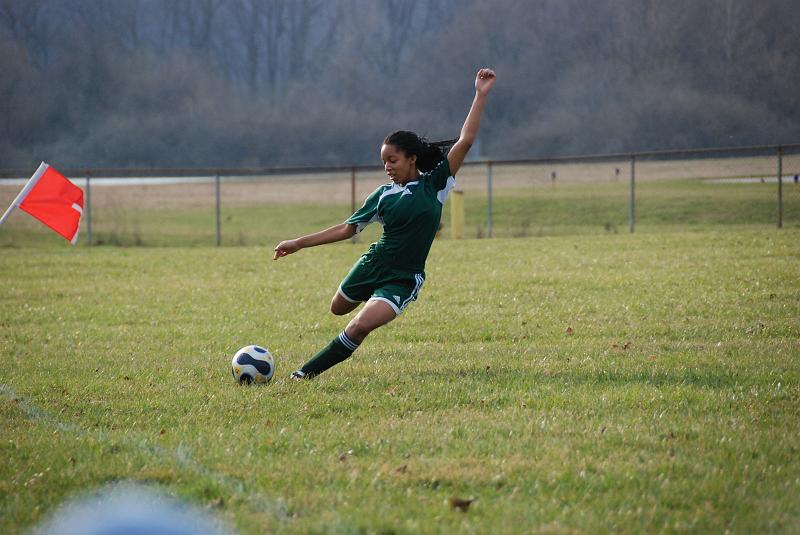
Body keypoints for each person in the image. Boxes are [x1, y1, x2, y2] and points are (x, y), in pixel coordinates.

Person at [273, 68, 497, 379]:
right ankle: (374, 295)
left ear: (412, 159)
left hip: (403, 278)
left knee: (358, 326)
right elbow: (347, 229)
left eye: (392, 160)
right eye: (383, 162)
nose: (387, 167)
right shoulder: (382, 195)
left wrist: (480, 94)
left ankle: (303, 374)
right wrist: (297, 243)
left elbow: (466, 140)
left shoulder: (436, 184)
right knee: (337, 308)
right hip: (373, 263)